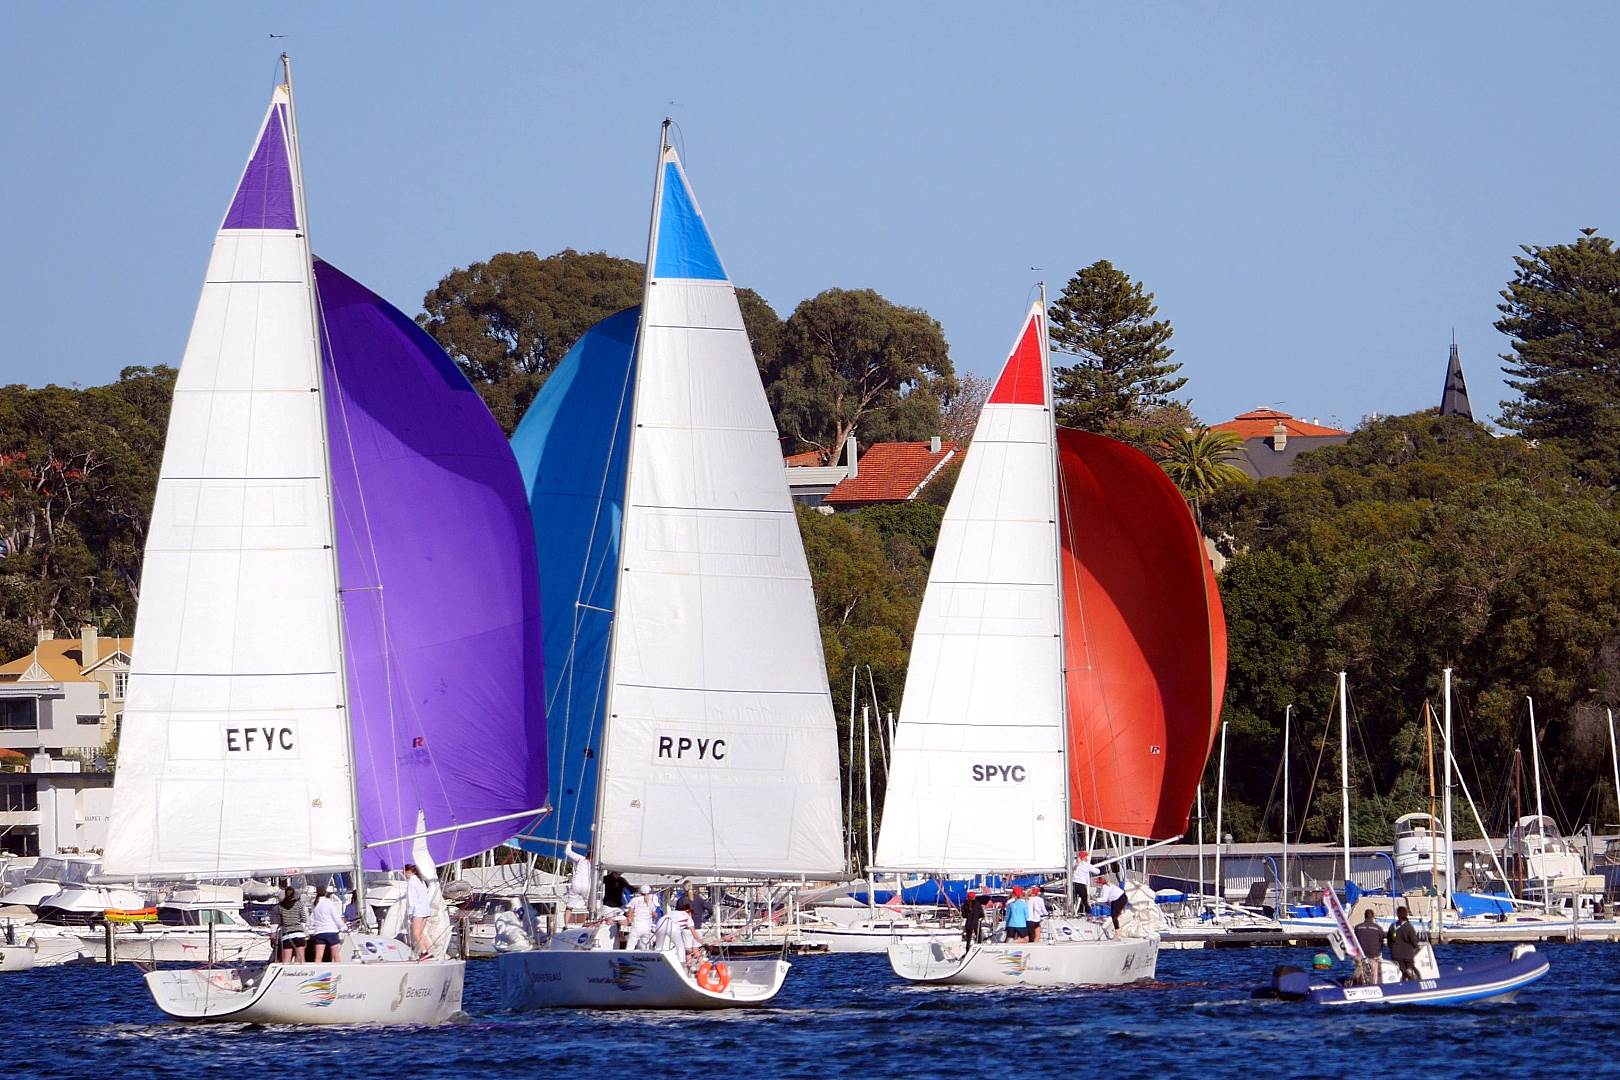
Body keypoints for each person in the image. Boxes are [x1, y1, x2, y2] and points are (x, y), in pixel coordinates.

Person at [655, 897, 703, 967]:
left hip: (660, 922)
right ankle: (682, 965)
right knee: (680, 946)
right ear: (688, 911)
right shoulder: (688, 918)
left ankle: (656, 964)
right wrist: (702, 942)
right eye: (691, 912)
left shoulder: (673, 912)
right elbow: (694, 933)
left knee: (659, 947)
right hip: (673, 926)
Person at [269, 885, 308, 963]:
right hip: (299, 933)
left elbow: (278, 922)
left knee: (286, 959)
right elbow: (304, 919)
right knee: (300, 958)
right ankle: (301, 973)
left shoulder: (280, 907)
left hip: (287, 934)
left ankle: (286, 973)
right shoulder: (299, 904)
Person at [403, 863, 434, 959]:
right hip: (425, 910)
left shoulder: (412, 882)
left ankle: (424, 952)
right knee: (421, 933)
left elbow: (412, 899)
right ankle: (430, 952)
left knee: (416, 933)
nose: (404, 874)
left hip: (418, 911)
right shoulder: (421, 881)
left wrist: (410, 914)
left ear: (409, 872)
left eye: (404, 872)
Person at [309, 883, 346, 963]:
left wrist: (310, 927)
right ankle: (338, 972)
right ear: (325, 893)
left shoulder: (315, 904)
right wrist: (343, 927)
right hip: (331, 932)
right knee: (336, 956)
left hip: (319, 932)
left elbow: (312, 919)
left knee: (318, 957)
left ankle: (317, 972)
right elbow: (336, 917)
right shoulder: (329, 903)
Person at [1387, 905, 1421, 981]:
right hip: (1407, 954)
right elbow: (1413, 941)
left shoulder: (1392, 926)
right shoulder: (1409, 927)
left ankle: (1403, 980)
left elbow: (1389, 940)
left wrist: (1392, 948)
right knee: (1410, 969)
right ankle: (1411, 980)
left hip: (1395, 954)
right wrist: (1417, 947)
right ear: (1406, 914)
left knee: (1401, 970)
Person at [1352, 909, 1384, 985]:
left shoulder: (1357, 927)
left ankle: (1358, 984)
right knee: (1374, 973)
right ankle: (1374, 985)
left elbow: (1354, 940)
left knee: (1359, 971)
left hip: (1360, 955)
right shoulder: (1378, 928)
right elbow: (1381, 941)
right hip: (1373, 955)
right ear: (1373, 917)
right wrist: (1378, 951)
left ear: (1364, 916)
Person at [625, 884, 659, 950]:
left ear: (640, 892)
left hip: (636, 926)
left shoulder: (635, 900)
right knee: (645, 947)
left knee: (630, 946)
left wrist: (627, 916)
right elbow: (655, 915)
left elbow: (629, 913)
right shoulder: (652, 901)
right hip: (647, 928)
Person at [563, 842, 593, 912]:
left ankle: (566, 923)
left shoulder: (581, 859)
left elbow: (568, 852)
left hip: (576, 884)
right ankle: (592, 918)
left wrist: (569, 843)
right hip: (587, 886)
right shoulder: (596, 863)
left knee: (569, 907)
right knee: (591, 906)